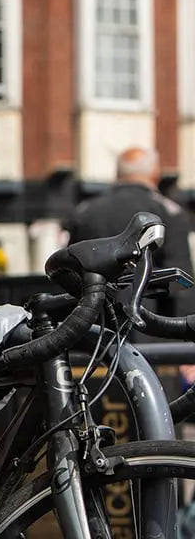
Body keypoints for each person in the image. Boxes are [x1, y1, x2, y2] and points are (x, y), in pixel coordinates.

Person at [64, 147, 195, 383]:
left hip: (94, 338)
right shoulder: (169, 212)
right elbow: (181, 284)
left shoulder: (85, 212)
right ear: (155, 173)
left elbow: (71, 272)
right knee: (154, 415)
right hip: (151, 340)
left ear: (118, 174)